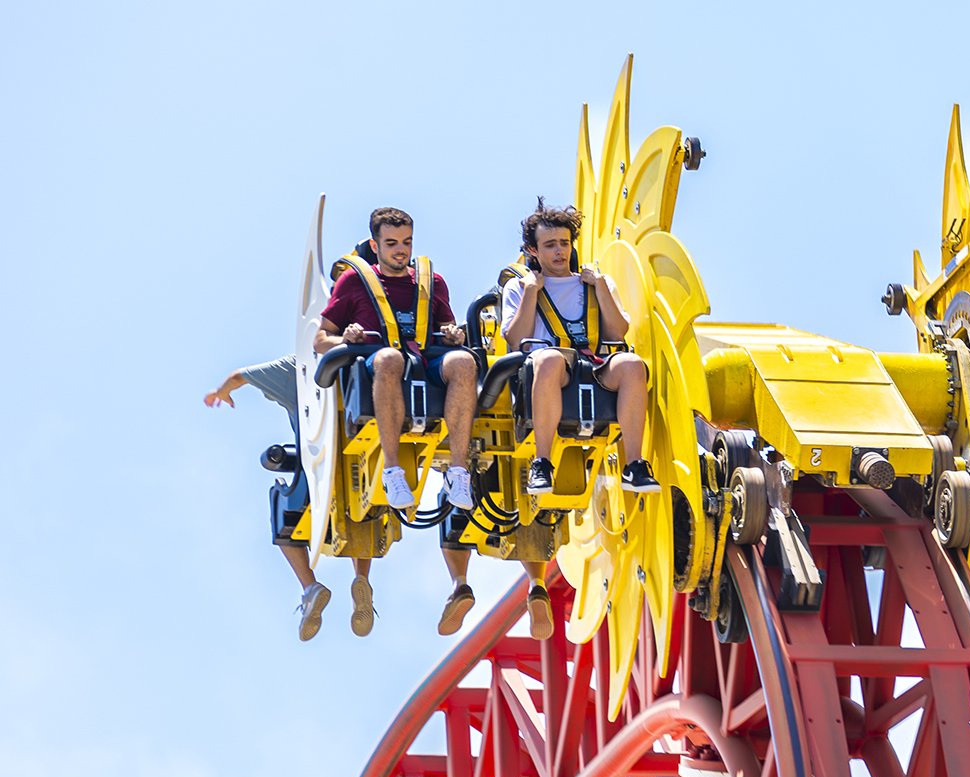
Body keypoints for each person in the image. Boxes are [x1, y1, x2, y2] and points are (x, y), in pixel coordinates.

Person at [314, 206, 484, 634]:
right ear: (375, 245)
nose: (400, 251)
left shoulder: (430, 282)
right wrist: (344, 337)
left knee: (465, 363)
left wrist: (454, 335)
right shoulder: (354, 281)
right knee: (388, 357)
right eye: (391, 244)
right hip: (380, 362)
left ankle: (458, 472)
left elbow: (448, 327)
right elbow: (320, 339)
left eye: (406, 242)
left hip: (426, 360)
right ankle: (392, 468)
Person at [499, 199, 661, 639]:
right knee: (549, 358)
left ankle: (633, 463)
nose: (559, 252)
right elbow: (515, 340)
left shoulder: (590, 283)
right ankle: (543, 463)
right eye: (549, 245)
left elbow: (618, 334)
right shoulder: (521, 287)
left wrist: (602, 288)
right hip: (548, 369)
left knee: (632, 367)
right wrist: (531, 292)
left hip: (593, 364)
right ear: (532, 251)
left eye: (564, 243)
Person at [204, 356, 375, 640]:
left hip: (319, 478)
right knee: (365, 507)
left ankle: (310, 587)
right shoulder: (368, 359)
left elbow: (238, 376)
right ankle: (362, 579)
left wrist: (221, 392)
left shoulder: (298, 368)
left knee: (281, 506)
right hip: (364, 466)